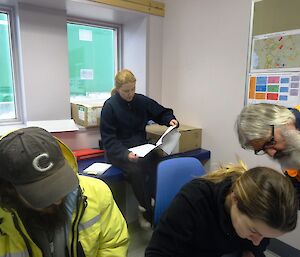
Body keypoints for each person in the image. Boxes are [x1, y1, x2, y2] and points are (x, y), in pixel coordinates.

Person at [0, 127, 129, 257]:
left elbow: (113, 244)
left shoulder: (97, 192)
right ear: (9, 190)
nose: (57, 200)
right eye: (43, 194)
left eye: (60, 183)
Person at [145, 162, 298, 257]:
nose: (258, 241)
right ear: (235, 199)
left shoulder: (259, 220)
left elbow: (257, 246)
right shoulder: (195, 200)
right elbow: (156, 253)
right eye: (254, 231)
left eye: (264, 235)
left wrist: (251, 252)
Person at [100, 69, 179, 228]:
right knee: (137, 170)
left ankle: (157, 203)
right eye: (126, 91)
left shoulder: (141, 101)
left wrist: (169, 119)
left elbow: (160, 112)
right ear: (118, 89)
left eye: (133, 90)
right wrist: (126, 154)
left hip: (141, 147)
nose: (130, 94)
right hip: (119, 151)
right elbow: (109, 140)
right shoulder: (109, 107)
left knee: (159, 162)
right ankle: (148, 211)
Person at [236, 103, 300, 206]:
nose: (272, 154)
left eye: (270, 142)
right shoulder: (288, 149)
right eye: (263, 149)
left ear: (284, 122)